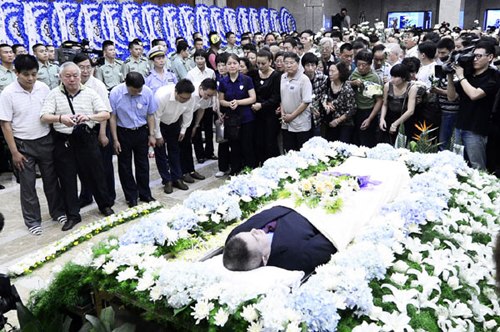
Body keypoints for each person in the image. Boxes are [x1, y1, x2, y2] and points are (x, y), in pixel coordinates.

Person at [40, 62, 115, 231]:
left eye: (75, 75)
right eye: (68, 76)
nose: (72, 79)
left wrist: (88, 117)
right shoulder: (53, 94)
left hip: (86, 139)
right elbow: (44, 116)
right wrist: (60, 118)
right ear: (61, 77)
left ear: (81, 76)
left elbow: (105, 113)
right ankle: (73, 215)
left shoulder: (90, 93)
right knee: (67, 179)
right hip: (64, 141)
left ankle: (104, 205)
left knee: (96, 174)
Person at [0, 55, 66, 235]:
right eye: (26, 74)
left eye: (34, 74)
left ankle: (57, 211)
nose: (30, 79)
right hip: (22, 145)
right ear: (16, 73)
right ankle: (32, 221)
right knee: (28, 185)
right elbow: (5, 124)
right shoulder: (7, 93)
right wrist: (14, 152)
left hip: (45, 140)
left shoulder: (43, 88)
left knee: (51, 180)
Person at [223, 205, 337, 274]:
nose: (254, 230)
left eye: (249, 233)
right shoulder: (299, 256)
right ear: (265, 258)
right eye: (255, 238)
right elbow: (333, 235)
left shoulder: (236, 237)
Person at [446, 41, 500, 170]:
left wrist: (460, 76)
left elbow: (474, 95)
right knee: (458, 164)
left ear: (490, 57)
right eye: (473, 56)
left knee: (477, 166)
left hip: (476, 128)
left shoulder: (494, 76)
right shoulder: (469, 75)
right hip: (460, 125)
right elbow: (451, 97)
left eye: (479, 56)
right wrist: (449, 76)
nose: (474, 59)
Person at [73, 53, 116, 208]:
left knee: (104, 165)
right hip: (81, 130)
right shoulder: (71, 83)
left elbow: (105, 112)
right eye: (81, 67)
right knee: (84, 166)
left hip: (99, 127)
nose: (85, 71)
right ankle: (86, 195)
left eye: (88, 67)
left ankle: (109, 196)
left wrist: (103, 134)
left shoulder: (97, 85)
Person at [109, 72, 156, 207]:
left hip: (141, 131)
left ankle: (145, 194)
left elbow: (150, 114)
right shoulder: (116, 93)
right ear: (127, 85)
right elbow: (112, 117)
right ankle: (131, 196)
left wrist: (151, 134)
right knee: (125, 166)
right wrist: (115, 139)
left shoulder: (147, 92)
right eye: (134, 90)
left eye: (139, 90)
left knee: (143, 164)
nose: (137, 93)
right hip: (123, 132)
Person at [154, 79, 196, 194]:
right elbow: (155, 117)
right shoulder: (162, 96)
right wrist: (157, 135)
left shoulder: (189, 98)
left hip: (174, 123)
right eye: (182, 98)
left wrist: (183, 130)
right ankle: (167, 180)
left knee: (175, 151)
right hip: (160, 124)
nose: (185, 101)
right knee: (161, 153)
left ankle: (177, 177)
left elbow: (188, 113)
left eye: (187, 98)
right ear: (176, 92)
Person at [218, 54, 257, 175]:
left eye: (234, 63)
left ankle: (250, 169)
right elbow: (221, 100)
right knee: (234, 146)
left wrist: (238, 102)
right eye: (229, 64)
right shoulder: (223, 82)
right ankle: (235, 170)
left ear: (239, 65)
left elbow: (253, 98)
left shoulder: (246, 80)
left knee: (247, 145)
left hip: (246, 118)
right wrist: (229, 104)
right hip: (231, 119)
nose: (232, 66)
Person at [179, 78, 217, 183]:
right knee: (182, 146)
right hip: (179, 117)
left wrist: (196, 125)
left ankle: (191, 170)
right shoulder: (190, 93)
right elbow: (182, 110)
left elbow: (201, 109)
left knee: (188, 144)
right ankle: (182, 172)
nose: (208, 97)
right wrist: (183, 128)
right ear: (201, 88)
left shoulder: (207, 97)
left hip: (191, 116)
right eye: (207, 94)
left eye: (211, 95)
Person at [186, 49, 217, 164]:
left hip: (207, 105)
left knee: (209, 130)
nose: (200, 61)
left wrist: (214, 103)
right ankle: (200, 155)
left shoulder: (211, 72)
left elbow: (213, 89)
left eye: (202, 58)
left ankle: (210, 152)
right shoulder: (191, 73)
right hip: (194, 105)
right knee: (196, 130)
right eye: (197, 58)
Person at [252, 49, 281, 165]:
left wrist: (262, 105)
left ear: (270, 61)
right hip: (256, 113)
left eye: (263, 63)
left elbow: (276, 97)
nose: (260, 66)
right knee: (258, 141)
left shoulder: (276, 76)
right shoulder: (254, 74)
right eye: (258, 63)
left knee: (270, 141)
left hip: (270, 114)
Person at [280, 52, 313, 152]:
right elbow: (282, 97)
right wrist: (283, 115)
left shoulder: (304, 79)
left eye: (291, 62)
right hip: (286, 122)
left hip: (300, 122)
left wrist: (292, 116)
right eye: (286, 63)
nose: (288, 65)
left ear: (298, 64)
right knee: (289, 151)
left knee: (301, 152)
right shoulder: (283, 77)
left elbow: (306, 102)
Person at [350, 50, 383, 148]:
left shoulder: (374, 78)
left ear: (370, 64)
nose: (361, 68)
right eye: (358, 64)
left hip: (368, 111)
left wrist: (369, 119)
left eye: (364, 65)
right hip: (355, 111)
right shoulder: (355, 73)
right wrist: (353, 83)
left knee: (367, 143)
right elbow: (346, 84)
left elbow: (379, 100)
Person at [379, 64, 419, 145]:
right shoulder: (388, 86)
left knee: (402, 146)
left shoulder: (412, 88)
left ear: (403, 78)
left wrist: (395, 124)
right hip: (389, 118)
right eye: (392, 76)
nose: (392, 79)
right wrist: (382, 118)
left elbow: (410, 111)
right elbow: (385, 104)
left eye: (395, 77)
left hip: (404, 121)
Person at [323, 62, 357, 143]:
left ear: (340, 72)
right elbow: (324, 96)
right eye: (329, 71)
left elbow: (352, 109)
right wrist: (327, 104)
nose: (330, 74)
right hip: (331, 120)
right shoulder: (328, 83)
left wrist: (338, 120)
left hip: (344, 123)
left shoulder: (347, 88)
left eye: (333, 71)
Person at [302, 53, 327, 137]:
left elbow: (323, 95)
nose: (310, 68)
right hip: (303, 113)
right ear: (303, 66)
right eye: (307, 65)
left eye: (313, 65)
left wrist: (324, 103)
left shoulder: (322, 78)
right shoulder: (300, 79)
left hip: (317, 115)